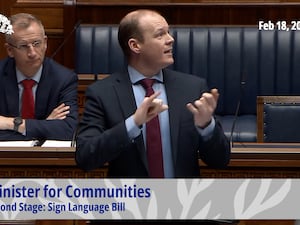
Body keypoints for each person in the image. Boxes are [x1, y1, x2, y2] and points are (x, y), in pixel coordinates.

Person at [75, 9, 230, 178]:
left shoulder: (192, 88)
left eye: (168, 33)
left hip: (183, 200)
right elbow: (85, 157)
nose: (170, 39)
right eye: (160, 35)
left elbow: (221, 160)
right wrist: (133, 124)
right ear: (135, 45)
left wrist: (206, 126)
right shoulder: (102, 93)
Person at [0, 13, 78, 141]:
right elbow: (55, 130)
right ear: (9, 50)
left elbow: (68, 130)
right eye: (23, 46)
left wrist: (12, 124)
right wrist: (46, 125)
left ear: (45, 43)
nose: (32, 53)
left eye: (36, 43)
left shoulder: (64, 79)